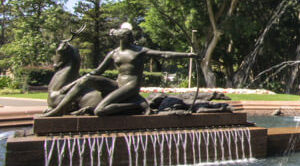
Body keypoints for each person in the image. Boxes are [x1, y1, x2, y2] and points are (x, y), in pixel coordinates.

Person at [47, 22, 198, 117]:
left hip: (130, 86)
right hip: (116, 84)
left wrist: (189, 55)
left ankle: (136, 104)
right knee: (87, 78)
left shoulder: (139, 51)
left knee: (100, 111)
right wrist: (69, 85)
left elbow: (165, 54)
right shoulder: (114, 53)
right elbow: (97, 72)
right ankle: (59, 109)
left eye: (126, 35)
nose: (125, 37)